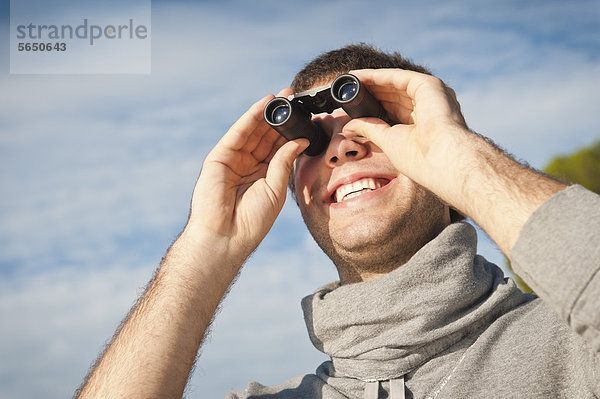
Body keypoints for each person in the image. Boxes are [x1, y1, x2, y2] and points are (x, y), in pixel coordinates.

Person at [75, 44, 599, 399]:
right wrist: (206, 246)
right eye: (313, 141)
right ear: (297, 192)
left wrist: (463, 162)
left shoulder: (572, 351)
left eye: (373, 127)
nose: (343, 147)